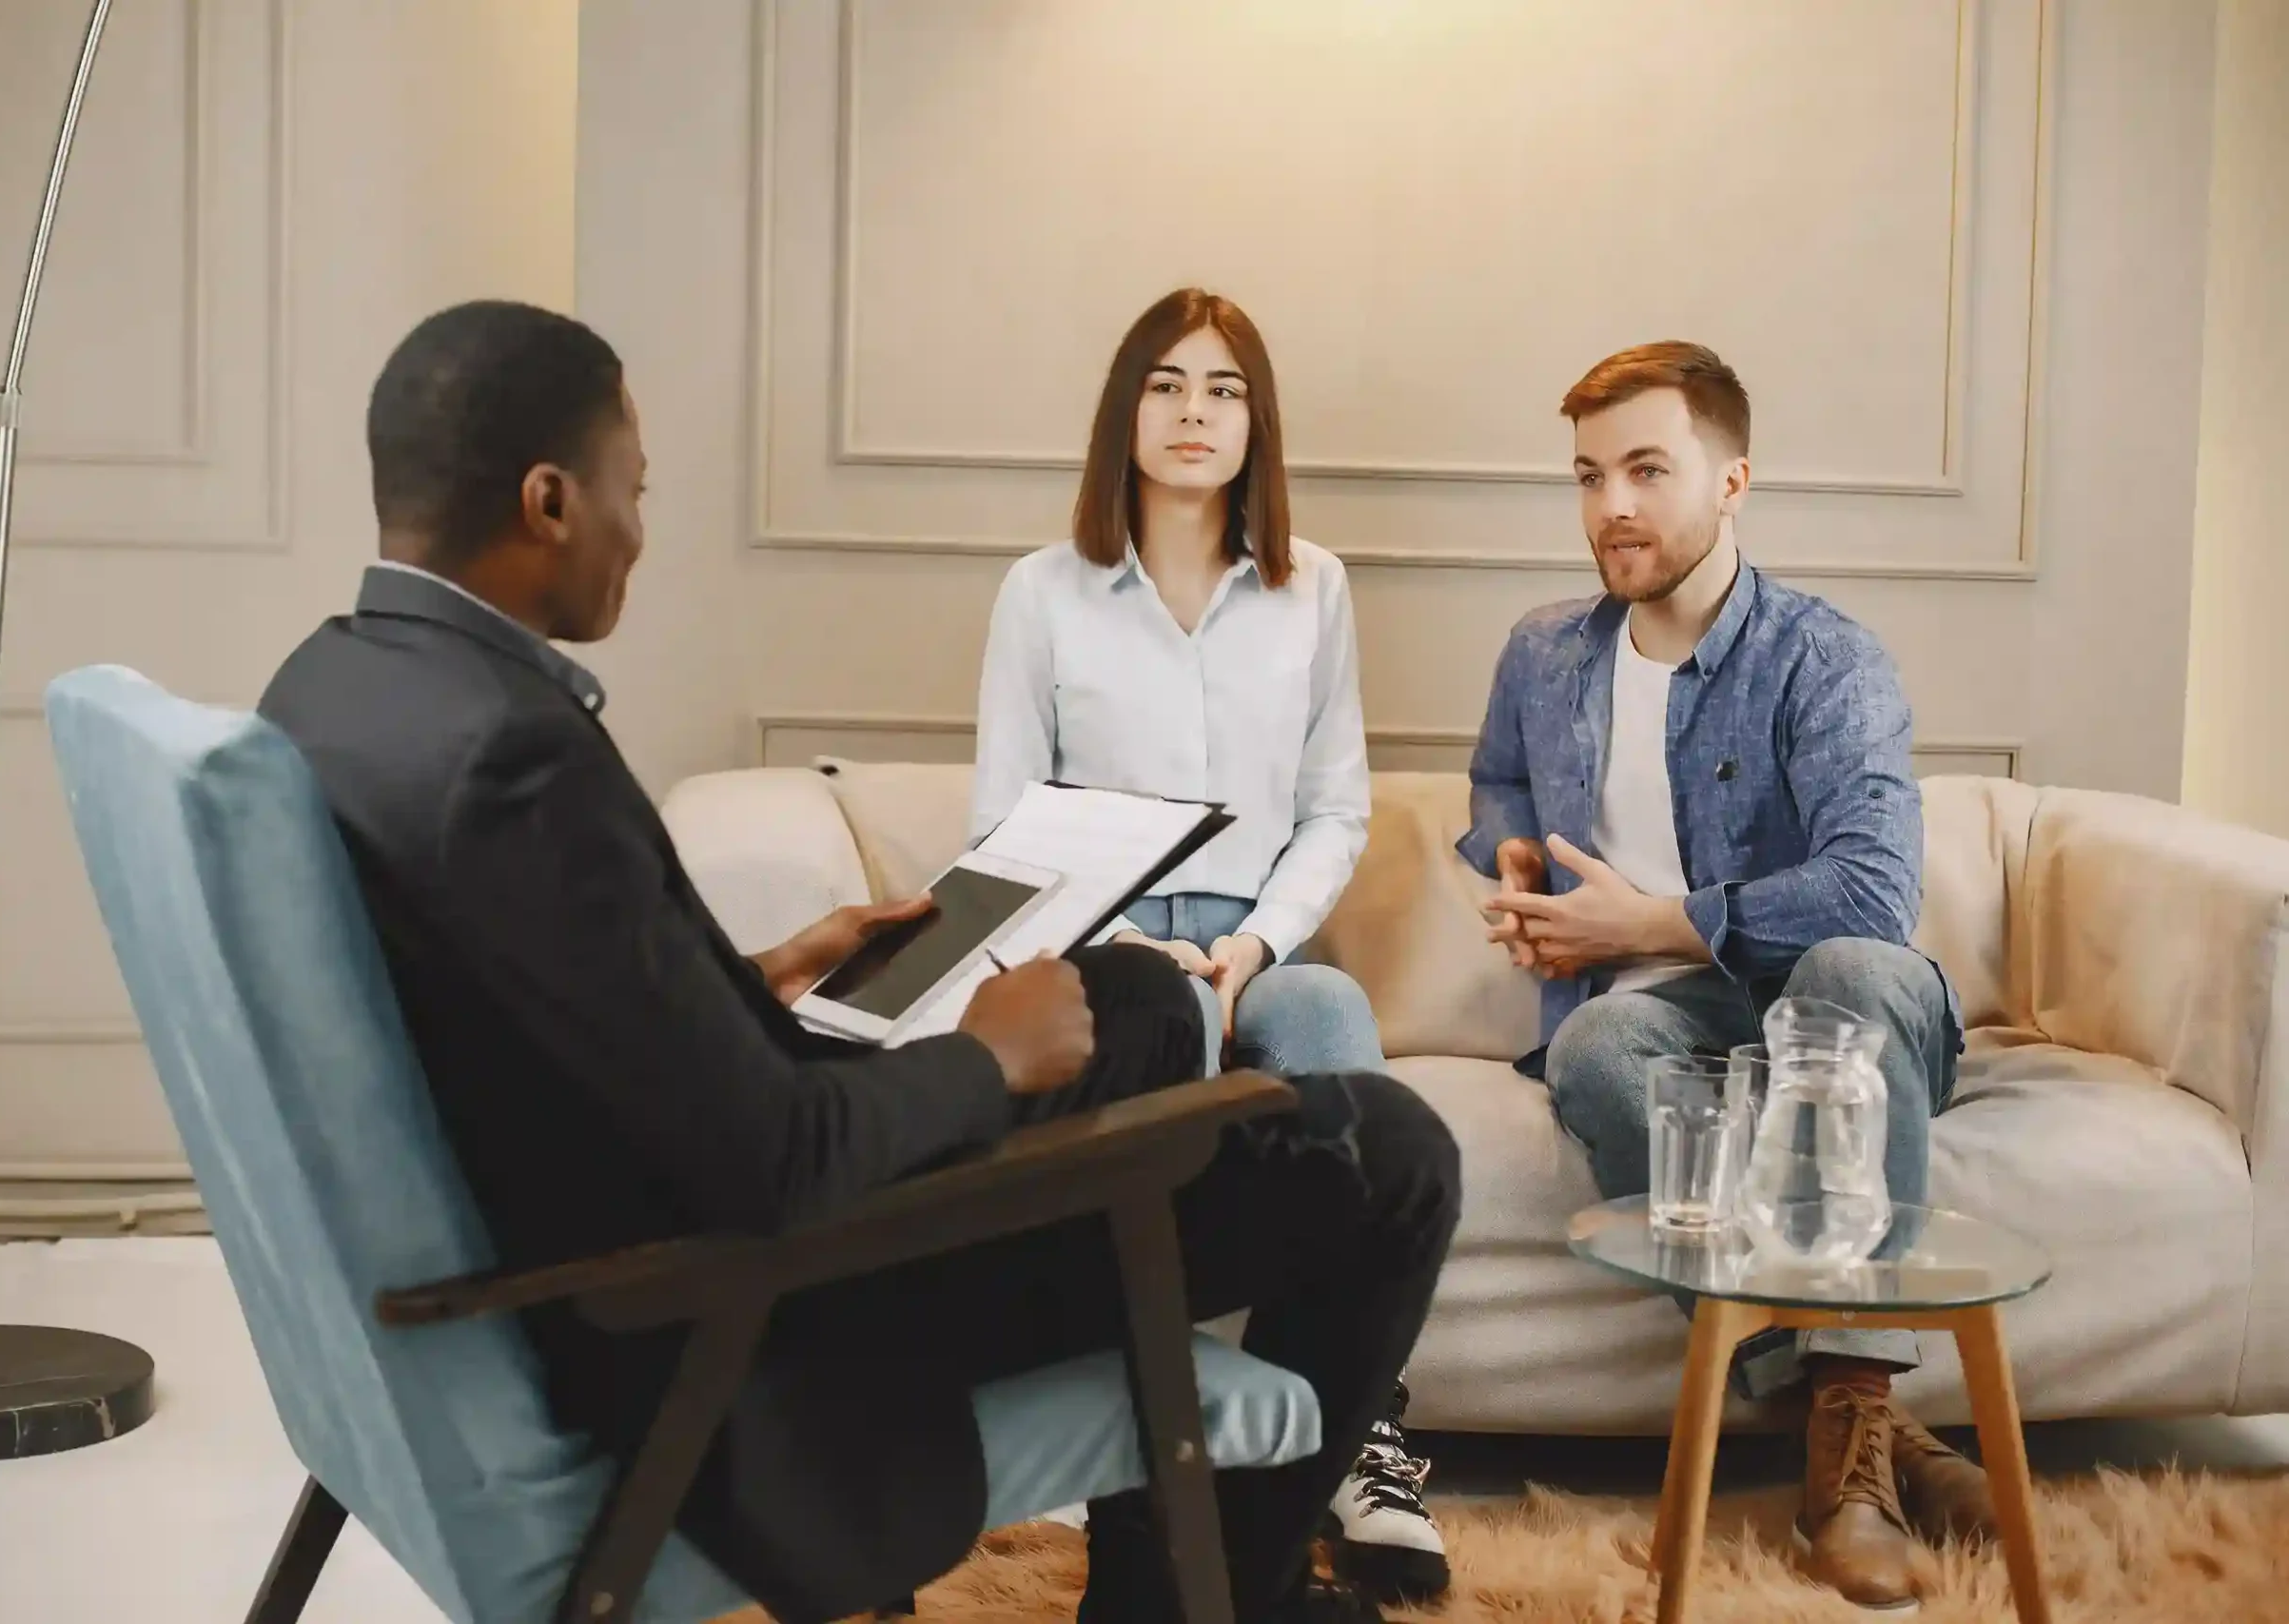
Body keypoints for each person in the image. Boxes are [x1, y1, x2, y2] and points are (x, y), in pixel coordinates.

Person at [257, 299, 1460, 1624]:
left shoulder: (344, 691)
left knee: (1133, 1004)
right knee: (1389, 1152)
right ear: (548, 499)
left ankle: (1174, 1576)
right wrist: (984, 1053)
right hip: (756, 1332)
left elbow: (570, 1016)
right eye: (631, 493)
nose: (637, 532)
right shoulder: (513, 758)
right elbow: (780, 1160)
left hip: (659, 1246)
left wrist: (771, 967)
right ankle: (1207, 1599)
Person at [1460, 341, 1994, 1612]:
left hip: (1851, 1004)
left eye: (1649, 469)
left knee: (1850, 969)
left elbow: (1872, 894)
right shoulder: (1545, 653)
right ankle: (1852, 1419)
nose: (1613, 508)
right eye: (1589, 476)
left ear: (1733, 479)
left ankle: (1851, 1466)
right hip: (1675, 1020)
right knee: (1592, 1049)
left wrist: (1645, 920)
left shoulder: (1826, 658)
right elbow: (1493, 790)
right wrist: (1519, 858)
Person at [970, 287, 1450, 1604]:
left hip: (1256, 934)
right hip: (1104, 951)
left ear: (1258, 420)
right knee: (1154, 1026)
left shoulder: (1315, 589)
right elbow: (1006, 822)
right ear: (1126, 409)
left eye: (1224, 389)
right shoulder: (1043, 592)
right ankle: (1146, 1438)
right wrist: (1135, 942)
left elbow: (1337, 804)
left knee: (1333, 1028)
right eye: (1168, 384)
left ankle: (1357, 1434)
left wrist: (1251, 946)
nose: (1194, 413)